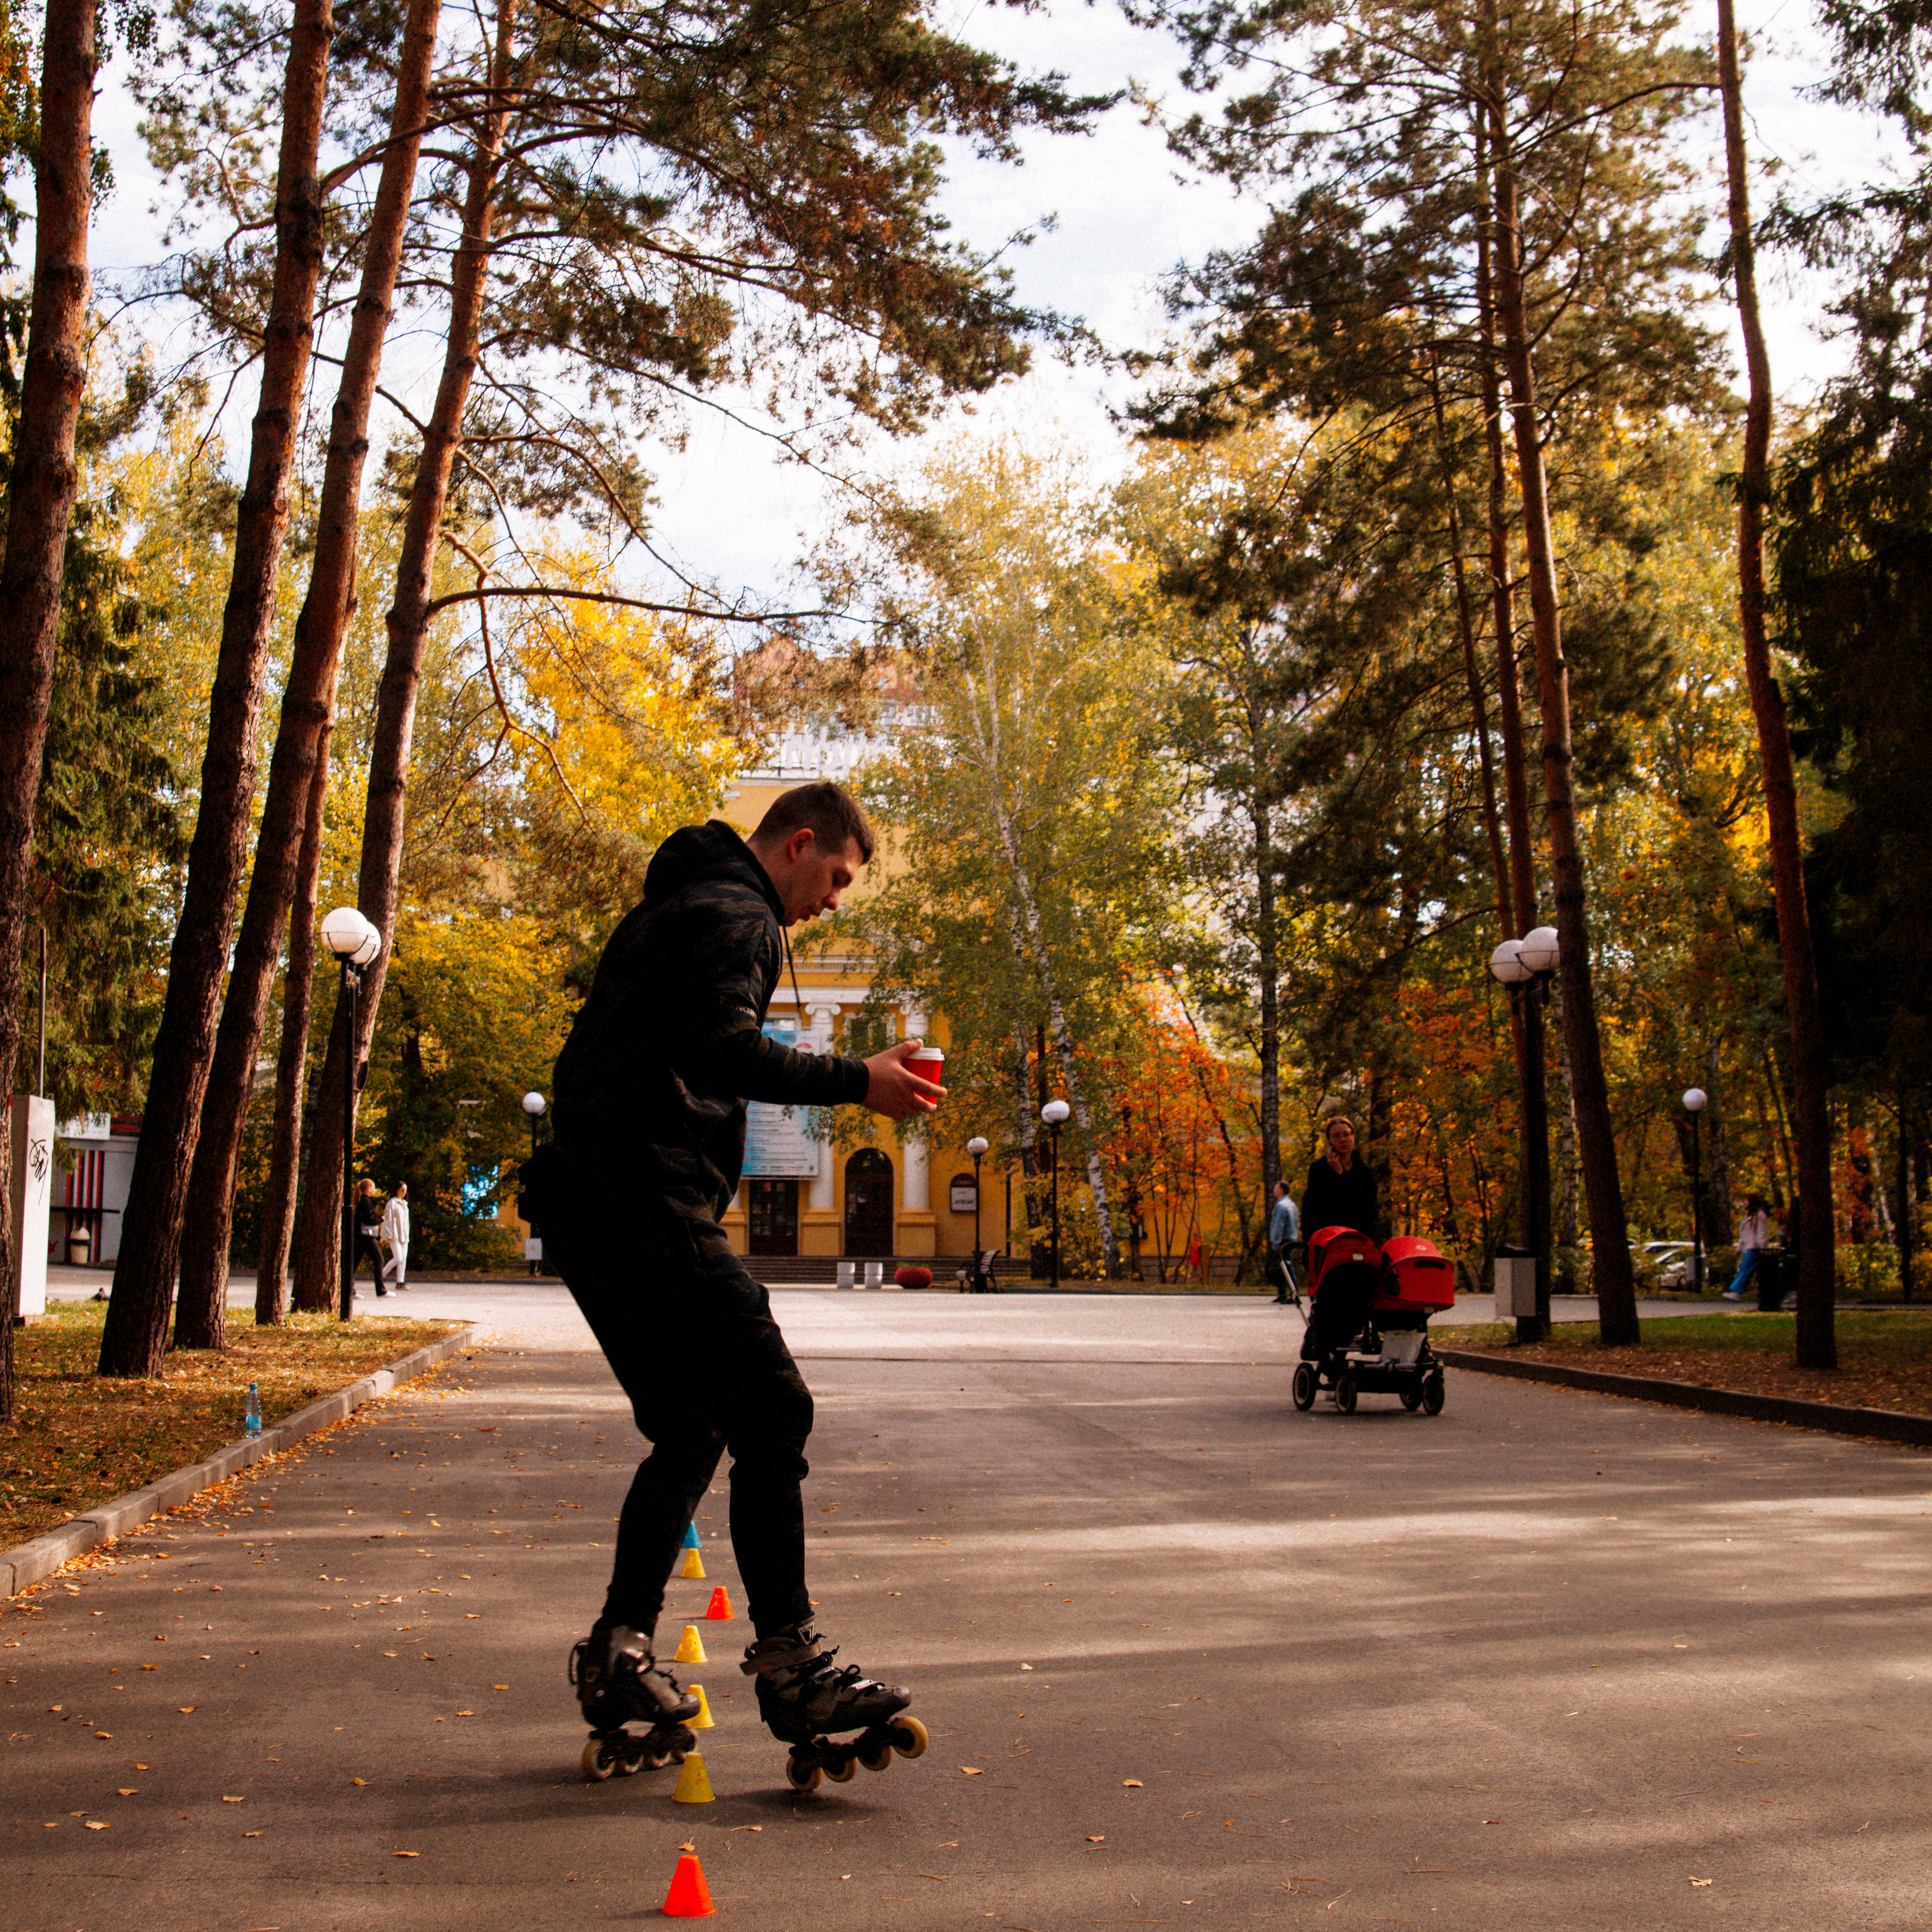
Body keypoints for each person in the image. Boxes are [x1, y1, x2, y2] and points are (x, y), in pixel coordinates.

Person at [529, 780, 942, 1763]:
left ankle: (621, 1651)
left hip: (589, 1207)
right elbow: (720, 1052)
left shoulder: (679, 904)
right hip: (642, 1200)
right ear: (801, 845)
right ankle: (790, 1666)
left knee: (688, 1430)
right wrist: (862, 1081)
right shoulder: (739, 915)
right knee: (773, 1410)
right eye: (836, 878)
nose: (833, 901)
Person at [1298, 1117, 1381, 1362]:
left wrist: (1376, 1246)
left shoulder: (1365, 1172)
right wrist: (1336, 1176)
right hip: (1329, 1246)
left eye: (1347, 1134)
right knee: (1332, 1299)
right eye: (1337, 1136)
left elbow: (1365, 1210)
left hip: (1360, 1245)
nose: (1343, 1140)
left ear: (1354, 1137)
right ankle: (1324, 1347)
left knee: (1359, 1302)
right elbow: (1322, 1208)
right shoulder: (1319, 1170)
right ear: (1330, 1141)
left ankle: (1332, 1346)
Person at [1724, 1192, 1770, 1301]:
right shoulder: (1749, 1216)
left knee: (1745, 1269)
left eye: (1746, 1201)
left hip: (1755, 1247)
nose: (1745, 1203)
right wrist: (1740, 1247)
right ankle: (1736, 1290)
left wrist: (1762, 1247)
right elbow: (1744, 1234)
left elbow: (1761, 1232)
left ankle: (1736, 1290)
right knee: (1747, 1270)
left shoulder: (1759, 1216)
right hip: (1749, 1246)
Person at [353, 1179, 389, 1297]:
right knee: (379, 1259)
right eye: (373, 1188)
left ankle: (349, 1290)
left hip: (361, 1236)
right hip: (366, 1237)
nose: (374, 1190)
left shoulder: (363, 1201)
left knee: (355, 1262)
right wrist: (381, 1220)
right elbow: (369, 1220)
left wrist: (377, 1236)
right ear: (368, 1189)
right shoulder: (366, 1202)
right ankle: (380, 1289)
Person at [1267, 1179, 1300, 1306]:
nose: (1274, 1191)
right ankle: (1282, 1293)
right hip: (1291, 1239)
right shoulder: (1292, 1205)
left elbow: (1278, 1226)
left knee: (1285, 1267)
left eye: (1276, 1189)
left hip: (1282, 1240)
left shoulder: (1281, 1206)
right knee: (1283, 1267)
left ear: (1281, 1191)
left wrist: (1275, 1242)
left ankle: (1293, 1293)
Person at [381, 1182, 411, 1292]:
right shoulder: (392, 1203)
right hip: (394, 1235)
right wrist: (389, 1234)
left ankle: (400, 1281)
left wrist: (407, 1233)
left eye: (405, 1191)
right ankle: (381, 1275)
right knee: (398, 1257)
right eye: (402, 1190)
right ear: (397, 1190)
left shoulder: (404, 1204)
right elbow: (388, 1219)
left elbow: (406, 1222)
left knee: (403, 1259)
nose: (404, 1193)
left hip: (403, 1234)